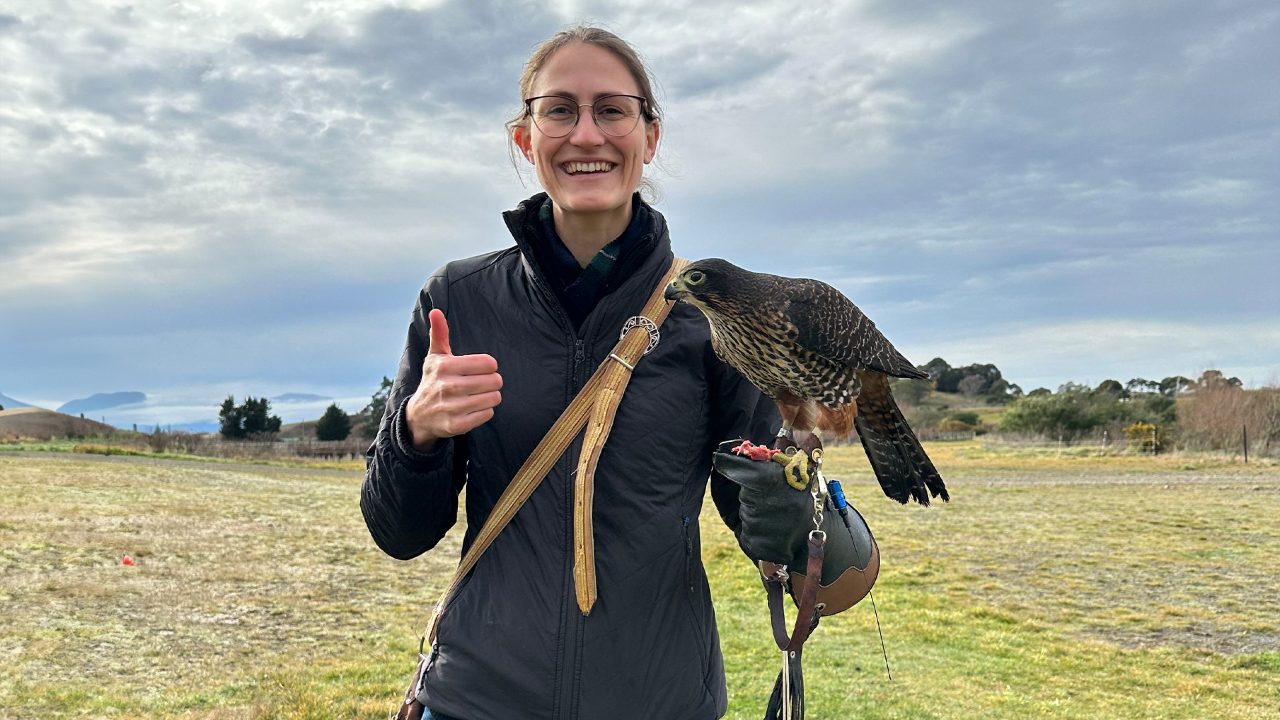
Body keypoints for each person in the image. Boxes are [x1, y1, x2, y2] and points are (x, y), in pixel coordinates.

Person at [361, 26, 787, 720]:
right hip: (478, 699)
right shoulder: (457, 300)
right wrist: (415, 435)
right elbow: (398, 534)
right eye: (559, 109)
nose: (586, 134)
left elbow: (764, 522)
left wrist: (802, 514)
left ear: (650, 137)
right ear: (525, 139)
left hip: (660, 699)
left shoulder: (710, 315)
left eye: (612, 110)